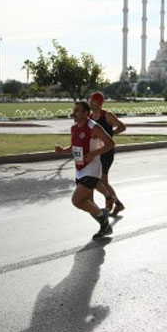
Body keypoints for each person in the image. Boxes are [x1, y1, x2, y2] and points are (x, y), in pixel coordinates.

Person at [55, 101, 116, 239]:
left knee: (76, 201)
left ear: (86, 113)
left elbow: (110, 143)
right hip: (80, 169)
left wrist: (94, 153)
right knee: (89, 204)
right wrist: (62, 151)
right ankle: (104, 227)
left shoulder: (93, 127)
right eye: (74, 110)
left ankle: (103, 217)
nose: (73, 113)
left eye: (77, 110)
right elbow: (74, 147)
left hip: (92, 169)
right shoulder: (74, 128)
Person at [88, 92, 127, 216]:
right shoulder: (89, 117)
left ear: (98, 103)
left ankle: (112, 203)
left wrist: (110, 135)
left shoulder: (107, 116)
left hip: (107, 151)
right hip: (96, 152)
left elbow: (122, 126)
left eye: (92, 101)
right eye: (89, 100)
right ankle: (117, 204)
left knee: (103, 180)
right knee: (99, 180)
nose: (90, 103)